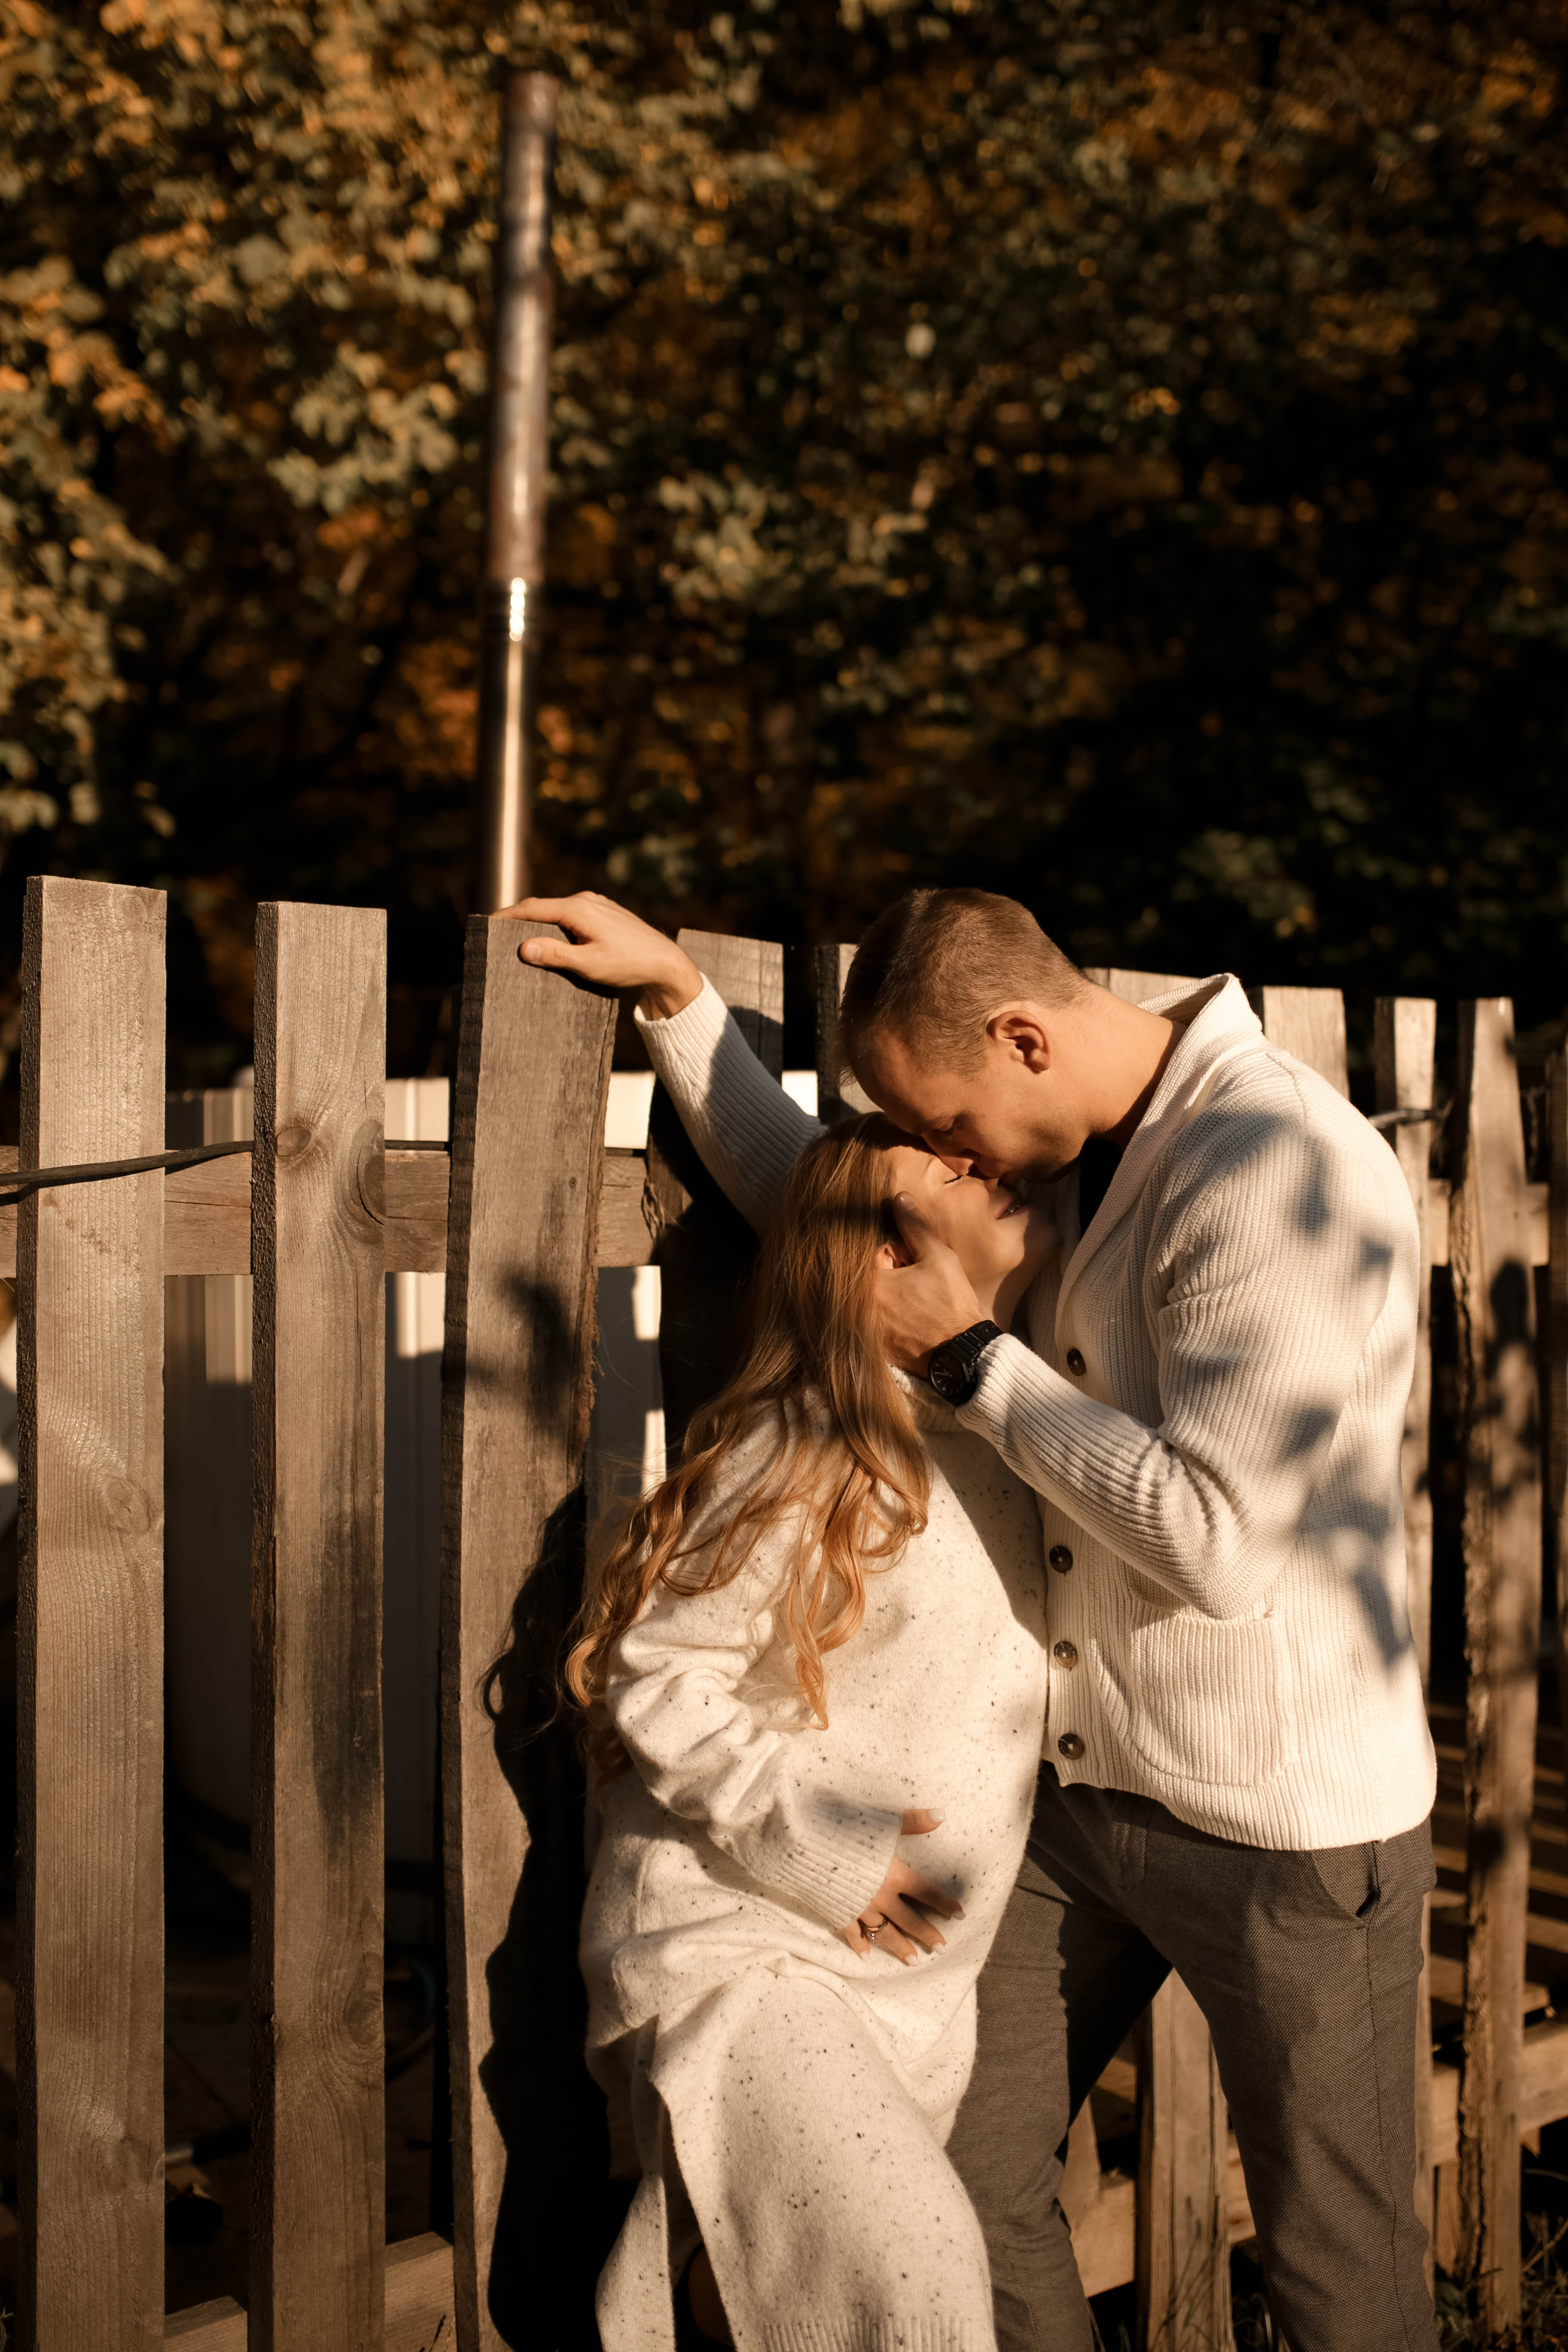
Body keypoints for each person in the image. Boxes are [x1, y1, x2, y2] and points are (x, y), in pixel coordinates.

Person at [505, 884, 1440, 2352]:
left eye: (946, 1120)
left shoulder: (1268, 1168)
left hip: (1282, 1826)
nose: (944, 1155)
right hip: (1065, 1811)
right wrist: (679, 1002)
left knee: (1335, 2260)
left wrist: (963, 1358)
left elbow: (1218, 1544)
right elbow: (829, 1199)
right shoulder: (1046, 1150)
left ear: (1019, 1038)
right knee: (972, 2188)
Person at [568, 1110, 1055, 2352]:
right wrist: (818, 1845)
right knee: (919, 2273)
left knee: (786, 2297)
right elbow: (656, 1664)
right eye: (941, 1174)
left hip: (906, 1990)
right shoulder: (810, 1440)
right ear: (877, 1260)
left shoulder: (1013, 1429)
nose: (979, 1165)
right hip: (742, 1950)